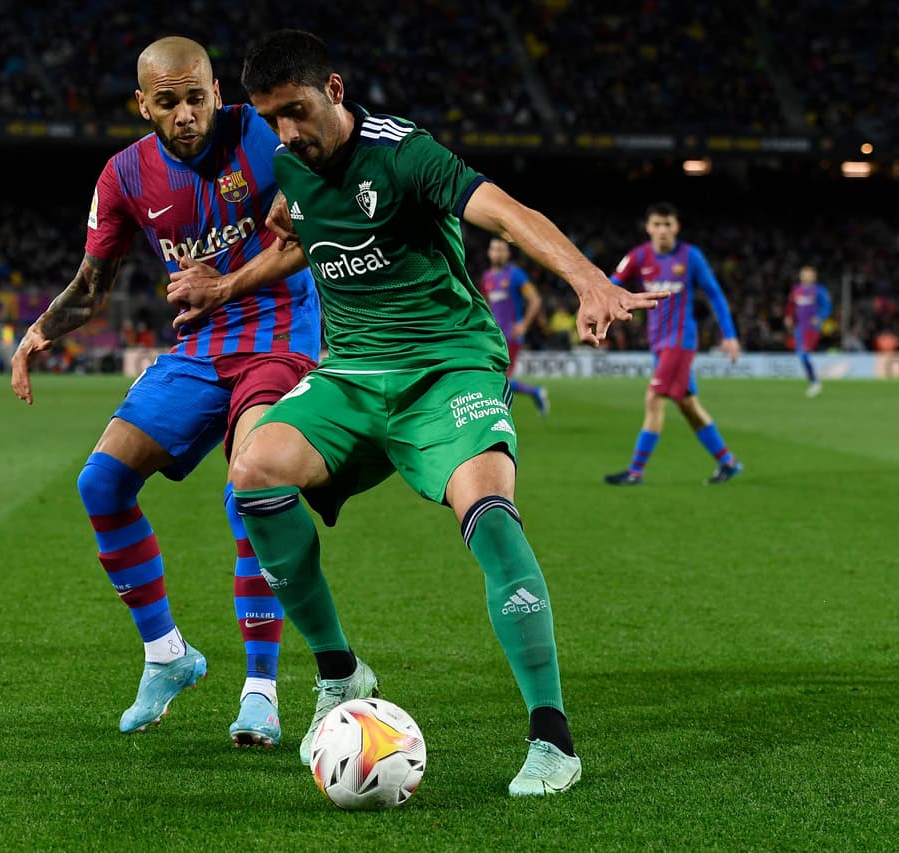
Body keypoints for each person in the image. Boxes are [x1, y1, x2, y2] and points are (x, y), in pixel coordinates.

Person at [169, 29, 663, 796]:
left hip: (447, 366)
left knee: (490, 508)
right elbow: (299, 239)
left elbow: (504, 212)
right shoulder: (294, 166)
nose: (287, 132)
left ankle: (552, 737)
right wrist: (225, 287)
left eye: (296, 111)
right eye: (271, 119)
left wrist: (588, 278)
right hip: (353, 371)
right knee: (253, 467)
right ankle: (338, 668)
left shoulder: (405, 153)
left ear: (333, 89)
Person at [11, 36, 321, 748]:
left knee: (251, 489)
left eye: (197, 97)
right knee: (102, 482)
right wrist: (36, 334)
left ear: (217, 91)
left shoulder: (267, 133)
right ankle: (166, 655)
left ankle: (262, 691)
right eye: (168, 101)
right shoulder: (124, 176)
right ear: (143, 105)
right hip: (200, 345)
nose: (186, 114)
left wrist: (228, 282)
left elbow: (318, 231)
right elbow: (93, 286)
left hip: (280, 333)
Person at [603, 203, 742, 486]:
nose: (663, 230)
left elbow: (714, 294)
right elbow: (610, 284)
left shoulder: (691, 257)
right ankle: (728, 462)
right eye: (657, 224)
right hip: (658, 343)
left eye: (668, 224)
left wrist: (729, 334)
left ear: (676, 227)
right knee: (687, 404)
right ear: (648, 227)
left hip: (680, 342)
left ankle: (635, 472)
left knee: (654, 399)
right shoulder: (638, 256)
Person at [479, 237, 549, 414]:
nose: (498, 253)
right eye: (495, 249)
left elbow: (535, 300)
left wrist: (524, 324)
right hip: (493, 336)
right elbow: (486, 306)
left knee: (499, 378)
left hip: (510, 335)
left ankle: (501, 414)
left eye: (502, 249)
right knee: (494, 377)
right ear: (489, 253)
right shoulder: (487, 277)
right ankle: (535, 392)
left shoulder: (515, 275)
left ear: (508, 253)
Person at [786, 265, 832, 397]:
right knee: (801, 354)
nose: (805, 276)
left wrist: (819, 317)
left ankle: (815, 382)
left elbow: (827, 307)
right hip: (800, 327)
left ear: (813, 276)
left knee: (803, 353)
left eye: (808, 274)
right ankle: (814, 381)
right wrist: (789, 316)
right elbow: (791, 305)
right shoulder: (796, 290)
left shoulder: (819, 290)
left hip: (812, 328)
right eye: (803, 274)